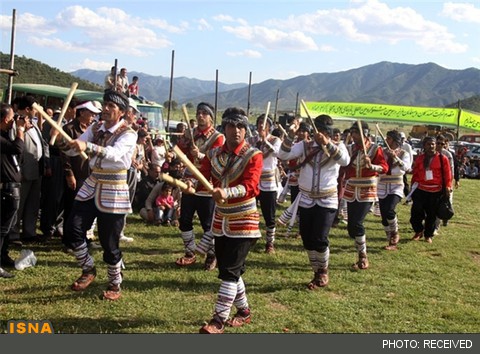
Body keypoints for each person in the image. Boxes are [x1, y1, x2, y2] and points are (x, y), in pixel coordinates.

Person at [55, 90, 137, 300]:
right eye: (105, 105)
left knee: (109, 242)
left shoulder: (128, 133)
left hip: (114, 189)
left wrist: (87, 145)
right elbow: (76, 148)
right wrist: (65, 142)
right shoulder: (95, 128)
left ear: (121, 112)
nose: (106, 109)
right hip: (92, 184)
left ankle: (115, 283)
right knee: (72, 229)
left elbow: (115, 154)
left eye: (111, 106)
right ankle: (88, 269)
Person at [195, 107, 262, 334]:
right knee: (229, 270)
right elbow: (203, 177)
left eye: (241, 126)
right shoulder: (214, 155)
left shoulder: (253, 155)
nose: (237, 131)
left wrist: (227, 192)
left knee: (230, 271)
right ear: (225, 128)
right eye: (232, 126)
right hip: (221, 220)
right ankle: (243, 311)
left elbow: (252, 186)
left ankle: (218, 320)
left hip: (244, 221)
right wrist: (189, 182)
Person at [278, 115, 349, 288]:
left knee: (320, 237)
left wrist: (327, 144)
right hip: (306, 199)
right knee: (307, 239)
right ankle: (316, 271)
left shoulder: (338, 146)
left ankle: (323, 271)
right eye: (320, 131)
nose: (322, 134)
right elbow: (282, 154)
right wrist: (290, 135)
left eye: (326, 132)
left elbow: (345, 161)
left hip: (327, 199)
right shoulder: (304, 145)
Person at [175, 102, 225, 271]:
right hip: (189, 183)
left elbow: (219, 159)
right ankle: (190, 253)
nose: (200, 116)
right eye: (198, 113)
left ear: (211, 117)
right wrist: (176, 149)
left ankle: (212, 255)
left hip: (207, 184)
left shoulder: (218, 137)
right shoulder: (191, 134)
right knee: (184, 220)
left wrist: (202, 155)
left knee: (207, 224)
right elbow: (179, 150)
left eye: (204, 113)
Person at [343, 121, 388, 270]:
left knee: (357, 223)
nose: (353, 136)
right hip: (351, 190)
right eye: (352, 133)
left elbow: (384, 168)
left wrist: (371, 166)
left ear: (365, 134)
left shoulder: (375, 149)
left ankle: (363, 256)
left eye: (356, 133)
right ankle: (358, 246)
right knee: (351, 227)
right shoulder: (349, 149)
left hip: (367, 190)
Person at [13, 95, 51, 244]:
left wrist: (46, 164)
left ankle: (29, 232)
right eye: (35, 108)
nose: (37, 111)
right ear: (28, 109)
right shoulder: (16, 122)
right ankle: (13, 234)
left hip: (36, 170)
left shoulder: (33, 124)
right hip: (23, 171)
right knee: (19, 204)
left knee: (33, 203)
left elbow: (42, 144)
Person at [248, 113, 282, 253]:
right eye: (259, 124)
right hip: (254, 180)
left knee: (269, 214)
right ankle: (251, 236)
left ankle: (270, 243)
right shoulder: (251, 140)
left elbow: (277, 153)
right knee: (251, 211)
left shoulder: (275, 140)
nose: (261, 126)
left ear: (269, 127)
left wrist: (265, 141)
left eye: (264, 124)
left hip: (268, 182)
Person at [410, 136, 452, 244]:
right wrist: (412, 187)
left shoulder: (443, 159)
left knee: (431, 215)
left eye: (433, 144)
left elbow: (448, 174)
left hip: (435, 191)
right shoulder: (420, 158)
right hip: (420, 189)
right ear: (424, 146)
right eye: (428, 144)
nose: (431, 146)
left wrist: (448, 186)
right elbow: (415, 173)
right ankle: (418, 231)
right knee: (416, 212)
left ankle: (428, 235)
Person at [1, 103, 26, 278]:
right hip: (5, 190)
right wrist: (21, 130)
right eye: (11, 119)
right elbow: (17, 148)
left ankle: (3, 256)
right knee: (1, 229)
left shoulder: (4, 135)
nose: (13, 122)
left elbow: (18, 153)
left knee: (7, 228)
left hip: (11, 188)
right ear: (4, 119)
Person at [377, 130, 412, 250]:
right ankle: (390, 240)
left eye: (389, 139)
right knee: (383, 216)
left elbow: (406, 168)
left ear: (396, 141)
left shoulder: (404, 153)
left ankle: (395, 233)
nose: (387, 141)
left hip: (396, 186)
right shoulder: (381, 152)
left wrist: (395, 157)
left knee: (389, 210)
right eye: (386, 138)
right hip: (382, 186)